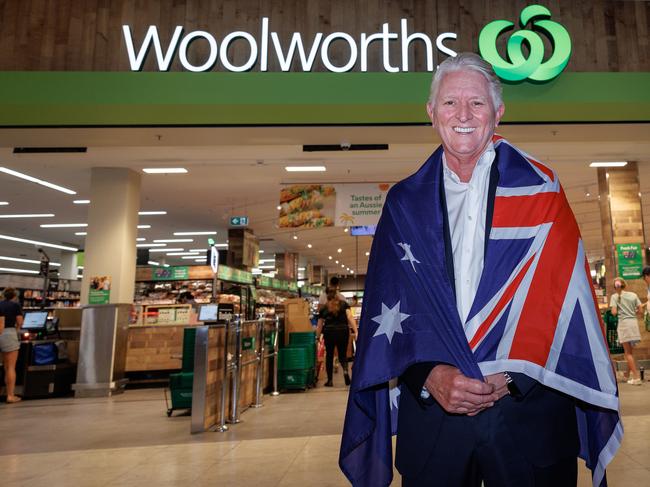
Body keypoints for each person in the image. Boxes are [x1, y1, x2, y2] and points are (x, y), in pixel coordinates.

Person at [340, 53, 621, 487]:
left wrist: (509, 374)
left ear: (499, 111)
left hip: (529, 416)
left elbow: (563, 304)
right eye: (450, 103)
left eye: (477, 103)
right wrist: (429, 376)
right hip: (434, 422)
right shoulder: (403, 204)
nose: (464, 115)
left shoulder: (540, 191)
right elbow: (389, 317)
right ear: (432, 113)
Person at [316, 287, 358, 387]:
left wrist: (317, 337)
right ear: (337, 295)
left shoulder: (324, 308)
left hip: (329, 332)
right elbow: (349, 317)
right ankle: (345, 372)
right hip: (343, 331)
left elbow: (320, 324)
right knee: (342, 355)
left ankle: (330, 380)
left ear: (327, 296)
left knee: (329, 356)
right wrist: (356, 331)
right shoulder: (344, 305)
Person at [610, 277, 643, 385]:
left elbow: (614, 312)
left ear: (615, 287)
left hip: (624, 325)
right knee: (631, 352)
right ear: (624, 284)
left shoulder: (614, 297)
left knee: (627, 353)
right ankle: (627, 374)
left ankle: (636, 377)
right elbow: (640, 310)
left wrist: (617, 310)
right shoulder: (633, 295)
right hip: (633, 324)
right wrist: (632, 312)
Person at [0, 288, 24, 403]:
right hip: (9, 333)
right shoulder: (15, 305)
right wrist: (17, 329)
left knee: (4, 366)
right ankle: (10, 396)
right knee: (9, 367)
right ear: (14, 296)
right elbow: (19, 321)